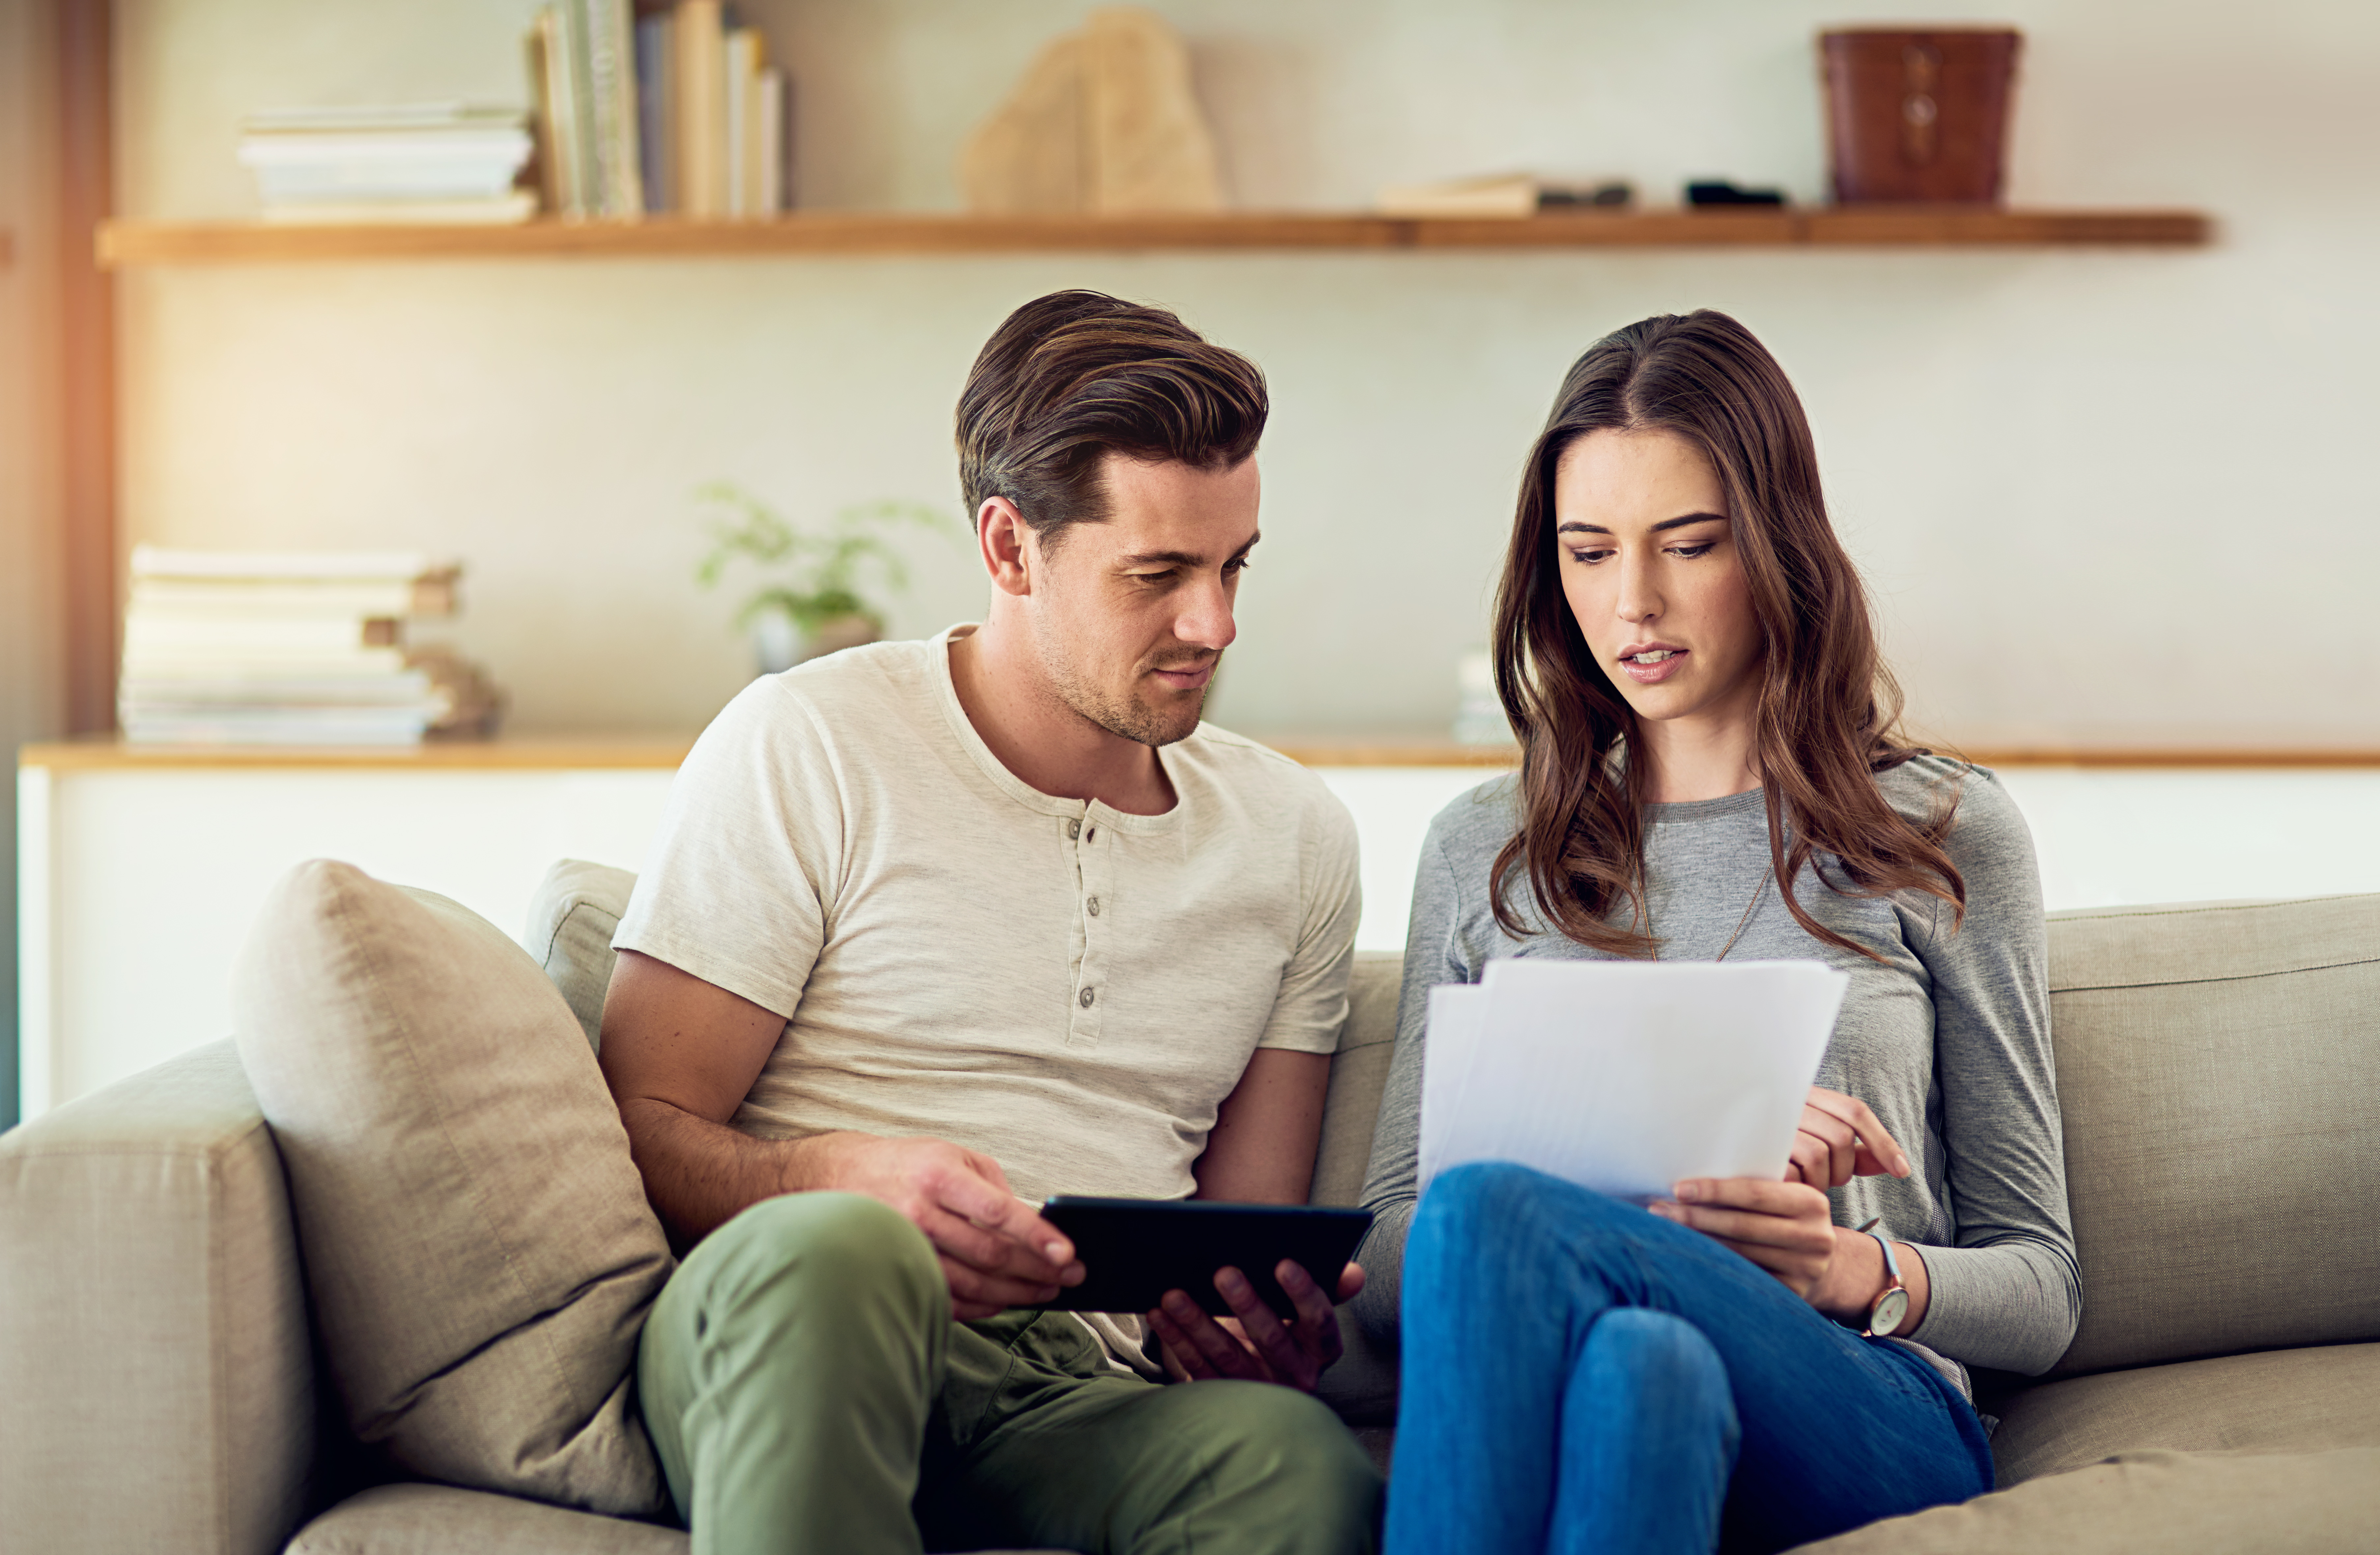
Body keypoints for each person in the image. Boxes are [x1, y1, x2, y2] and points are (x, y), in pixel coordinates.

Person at [599, 290, 1381, 1555]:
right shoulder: (811, 743)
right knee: (846, 1258)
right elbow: (635, 1127)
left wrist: (1245, 1333)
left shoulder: (1294, 836)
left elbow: (1240, 1234)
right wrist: (827, 1180)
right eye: (1159, 575)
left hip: (1073, 1398)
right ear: (1011, 548)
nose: (1216, 625)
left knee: (1290, 1461)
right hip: (797, 1338)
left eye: (1233, 566)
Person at [1351, 310, 2079, 1555]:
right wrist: (1672, 1155)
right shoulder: (1485, 848)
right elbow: (1386, 1262)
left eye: (1689, 545)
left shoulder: (1943, 830)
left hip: (1862, 1404)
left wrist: (1853, 1273)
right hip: (1597, 1371)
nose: (1633, 602)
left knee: (1494, 1218)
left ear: (1777, 544)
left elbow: (2043, 1284)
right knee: (1643, 1370)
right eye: (1588, 554)